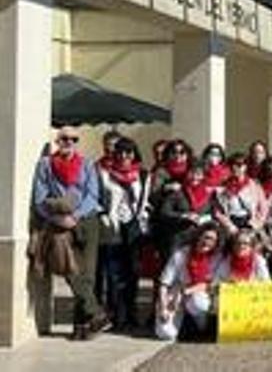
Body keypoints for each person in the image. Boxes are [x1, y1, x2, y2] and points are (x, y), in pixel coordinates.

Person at [31, 127, 108, 340]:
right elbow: (39, 199)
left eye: (73, 139)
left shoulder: (88, 164)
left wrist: (76, 217)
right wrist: (57, 219)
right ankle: (96, 313)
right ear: (57, 141)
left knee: (88, 275)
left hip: (86, 220)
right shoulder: (45, 165)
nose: (68, 142)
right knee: (70, 270)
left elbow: (93, 195)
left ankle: (81, 327)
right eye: (64, 138)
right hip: (58, 222)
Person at [96, 137, 151, 330]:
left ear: (134, 154)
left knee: (133, 272)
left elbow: (144, 201)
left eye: (129, 152)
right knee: (114, 274)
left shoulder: (143, 174)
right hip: (113, 226)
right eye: (120, 152)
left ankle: (131, 313)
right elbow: (99, 198)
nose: (124, 156)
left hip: (133, 226)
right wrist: (104, 216)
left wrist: (142, 218)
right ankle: (116, 315)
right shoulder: (104, 173)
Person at [155, 223, 222, 341]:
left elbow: (211, 284)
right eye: (206, 237)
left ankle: (199, 328)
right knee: (166, 334)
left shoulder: (216, 258)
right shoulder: (180, 254)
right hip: (174, 294)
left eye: (213, 240)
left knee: (199, 304)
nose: (208, 242)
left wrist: (184, 291)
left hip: (196, 292)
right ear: (198, 236)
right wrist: (163, 307)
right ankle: (176, 324)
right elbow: (164, 284)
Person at [152, 161, 211, 265]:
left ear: (203, 176)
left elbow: (212, 212)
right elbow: (164, 212)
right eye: (192, 173)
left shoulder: (207, 194)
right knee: (174, 267)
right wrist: (184, 215)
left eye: (198, 174)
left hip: (198, 237)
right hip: (178, 236)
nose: (194, 177)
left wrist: (202, 219)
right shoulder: (178, 191)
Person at [213, 153, 268, 236]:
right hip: (230, 224)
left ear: (245, 167)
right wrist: (229, 226)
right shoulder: (222, 187)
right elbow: (218, 211)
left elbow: (263, 208)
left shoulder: (254, 185)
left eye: (239, 165)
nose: (235, 168)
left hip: (249, 223)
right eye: (232, 165)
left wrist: (255, 224)